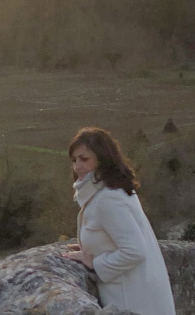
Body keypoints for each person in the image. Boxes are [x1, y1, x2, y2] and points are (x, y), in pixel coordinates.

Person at [60, 127, 175, 315]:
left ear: (102, 159)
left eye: (84, 159)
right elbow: (117, 237)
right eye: (74, 160)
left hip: (133, 300)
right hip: (142, 295)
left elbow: (134, 250)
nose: (77, 166)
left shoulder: (108, 199)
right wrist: (91, 248)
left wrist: (95, 262)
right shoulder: (114, 190)